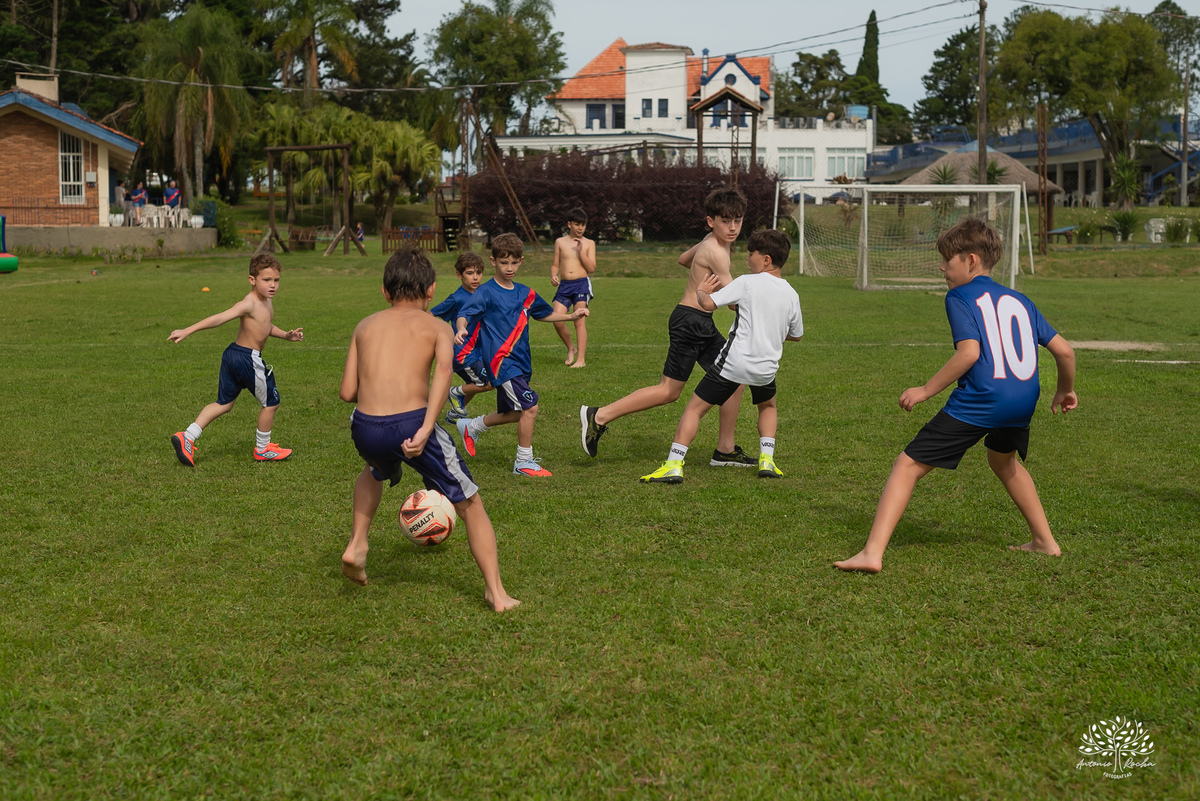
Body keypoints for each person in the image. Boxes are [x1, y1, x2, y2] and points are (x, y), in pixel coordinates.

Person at [835, 218, 1077, 574]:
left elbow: (969, 354)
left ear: (971, 260)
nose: (942, 268)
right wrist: (1065, 390)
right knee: (1004, 461)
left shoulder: (960, 296)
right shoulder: (1021, 299)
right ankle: (1044, 541)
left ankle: (872, 553)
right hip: (1023, 400)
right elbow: (1066, 352)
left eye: (948, 260)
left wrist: (925, 390)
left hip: (984, 399)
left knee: (907, 465)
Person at [339, 247, 520, 612]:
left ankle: (358, 543)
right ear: (432, 290)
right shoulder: (438, 327)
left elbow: (346, 393)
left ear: (385, 292)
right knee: (470, 503)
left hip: (364, 426)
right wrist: (423, 430)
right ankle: (496, 594)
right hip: (411, 426)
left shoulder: (364, 326)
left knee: (374, 470)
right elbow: (441, 377)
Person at [580, 187, 755, 467]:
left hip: (698, 322)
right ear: (711, 221)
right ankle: (598, 415)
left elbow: (683, 259)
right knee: (669, 391)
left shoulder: (711, 241)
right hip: (690, 322)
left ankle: (725, 449)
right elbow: (733, 303)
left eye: (738, 220)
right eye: (725, 220)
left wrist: (702, 273)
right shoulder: (718, 252)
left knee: (735, 379)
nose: (733, 227)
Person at [640, 229, 803, 484]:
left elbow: (707, 305)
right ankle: (767, 460)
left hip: (734, 364)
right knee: (768, 406)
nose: (748, 258)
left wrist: (702, 290)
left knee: (694, 410)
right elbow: (796, 335)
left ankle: (673, 465)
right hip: (766, 368)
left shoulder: (747, 281)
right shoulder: (791, 294)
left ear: (767, 260)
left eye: (752, 254)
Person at [453, 233, 589, 477]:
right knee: (531, 407)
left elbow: (544, 313)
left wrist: (570, 316)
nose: (509, 268)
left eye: (514, 262)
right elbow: (465, 313)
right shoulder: (485, 292)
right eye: (504, 262)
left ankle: (472, 425)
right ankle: (523, 461)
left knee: (514, 413)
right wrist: (462, 327)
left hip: (522, 362)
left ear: (521, 261)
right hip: (501, 362)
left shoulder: (526, 292)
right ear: (493, 261)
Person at [167, 253, 304, 466]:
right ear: (252, 280)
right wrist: (188, 330)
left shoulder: (266, 302)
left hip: (232, 355)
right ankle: (263, 448)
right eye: (266, 280)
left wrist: (287, 335)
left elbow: (265, 326)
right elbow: (220, 318)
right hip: (247, 358)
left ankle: (188, 436)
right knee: (271, 403)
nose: (273, 285)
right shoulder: (248, 303)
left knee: (224, 403)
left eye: (276, 280)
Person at [430, 250, 493, 422]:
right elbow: (431, 314)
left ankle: (456, 413)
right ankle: (455, 393)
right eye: (470, 273)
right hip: (463, 354)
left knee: (474, 384)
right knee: (488, 383)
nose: (475, 278)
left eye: (479, 273)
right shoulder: (456, 298)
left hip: (479, 351)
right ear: (459, 274)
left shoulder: (484, 294)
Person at [550, 207, 596, 368]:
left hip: (581, 285)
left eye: (583, 225)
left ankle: (581, 360)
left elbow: (591, 268)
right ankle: (571, 348)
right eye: (577, 224)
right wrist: (554, 275)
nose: (580, 228)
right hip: (564, 286)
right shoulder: (560, 242)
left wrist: (581, 252)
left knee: (579, 322)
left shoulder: (589, 243)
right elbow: (555, 264)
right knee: (557, 319)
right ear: (569, 224)